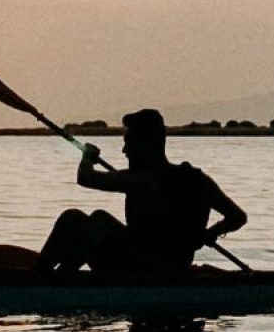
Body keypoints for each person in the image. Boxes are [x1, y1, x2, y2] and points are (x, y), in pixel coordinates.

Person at [38, 108, 246, 275]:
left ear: (145, 146)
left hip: (143, 269)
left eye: (128, 144)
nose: (124, 152)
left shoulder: (142, 179)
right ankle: (63, 276)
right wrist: (210, 234)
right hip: (176, 265)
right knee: (100, 218)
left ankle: (38, 278)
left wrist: (87, 155)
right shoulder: (197, 178)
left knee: (72, 218)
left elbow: (85, 178)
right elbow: (237, 217)